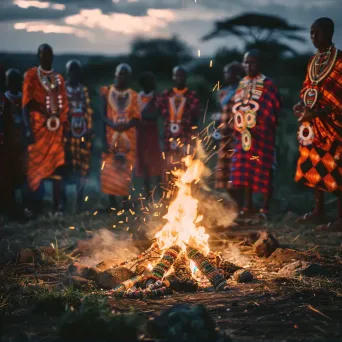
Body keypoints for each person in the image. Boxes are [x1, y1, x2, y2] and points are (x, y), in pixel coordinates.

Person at [293, 17, 341, 231]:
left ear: (329, 33)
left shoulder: (339, 61)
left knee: (338, 168)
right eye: (311, 33)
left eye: (317, 33)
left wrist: (318, 113)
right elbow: (307, 90)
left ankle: (340, 218)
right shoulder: (314, 62)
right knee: (316, 166)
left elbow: (338, 99)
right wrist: (301, 107)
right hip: (313, 126)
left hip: (333, 125)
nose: (313, 37)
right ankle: (318, 212)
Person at [230, 49, 282, 218]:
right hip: (243, 136)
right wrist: (240, 125)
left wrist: (257, 125)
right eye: (245, 62)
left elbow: (272, 110)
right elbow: (236, 108)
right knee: (245, 170)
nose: (248, 66)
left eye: (252, 62)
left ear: (259, 64)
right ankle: (248, 205)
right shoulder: (242, 84)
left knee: (264, 170)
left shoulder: (268, 84)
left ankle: (265, 208)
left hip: (262, 137)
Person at [22, 44, 69, 217]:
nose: (46, 58)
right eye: (43, 55)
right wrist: (28, 129)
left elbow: (64, 107)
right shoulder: (31, 76)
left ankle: (58, 207)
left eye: (49, 55)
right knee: (35, 168)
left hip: (55, 132)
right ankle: (33, 208)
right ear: (38, 56)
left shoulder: (59, 79)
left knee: (57, 168)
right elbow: (26, 105)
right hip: (37, 130)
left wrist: (64, 127)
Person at [100, 63, 140, 210]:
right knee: (109, 171)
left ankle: (124, 204)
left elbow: (137, 118)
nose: (121, 77)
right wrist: (111, 127)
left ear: (129, 77)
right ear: (115, 75)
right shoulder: (107, 92)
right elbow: (103, 116)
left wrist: (126, 126)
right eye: (119, 74)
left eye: (125, 74)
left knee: (125, 171)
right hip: (110, 137)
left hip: (128, 139)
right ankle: (112, 205)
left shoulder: (134, 95)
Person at [158, 66, 200, 186]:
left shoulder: (191, 95)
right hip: (169, 137)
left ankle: (186, 194)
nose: (179, 78)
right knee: (169, 167)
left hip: (185, 137)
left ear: (185, 78)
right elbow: (161, 112)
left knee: (185, 165)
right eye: (176, 76)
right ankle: (169, 198)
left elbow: (195, 117)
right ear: (173, 77)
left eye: (182, 76)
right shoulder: (166, 95)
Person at [63, 59, 93, 213]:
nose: (74, 74)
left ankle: (79, 204)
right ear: (68, 73)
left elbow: (88, 112)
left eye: (76, 71)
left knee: (82, 170)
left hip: (81, 138)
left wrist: (88, 130)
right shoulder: (62, 90)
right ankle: (63, 205)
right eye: (71, 71)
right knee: (64, 169)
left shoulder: (83, 90)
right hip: (66, 138)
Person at [215, 62, 245, 209]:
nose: (225, 76)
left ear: (237, 75)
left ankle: (241, 206)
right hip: (224, 138)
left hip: (236, 138)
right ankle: (235, 207)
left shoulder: (243, 92)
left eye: (228, 73)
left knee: (236, 174)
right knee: (225, 175)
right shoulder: (224, 92)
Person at [0, 69, 26, 220]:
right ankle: (9, 208)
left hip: (20, 145)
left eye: (14, 80)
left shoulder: (24, 100)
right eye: (8, 80)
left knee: (20, 176)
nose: (10, 83)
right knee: (6, 177)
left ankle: (21, 207)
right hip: (7, 146)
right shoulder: (3, 100)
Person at [135, 71, 162, 197]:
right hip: (141, 135)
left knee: (156, 162)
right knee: (144, 163)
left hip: (152, 134)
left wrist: (141, 117)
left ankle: (160, 192)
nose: (152, 84)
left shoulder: (156, 97)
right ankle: (147, 194)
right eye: (150, 82)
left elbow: (156, 114)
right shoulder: (137, 97)